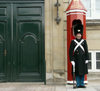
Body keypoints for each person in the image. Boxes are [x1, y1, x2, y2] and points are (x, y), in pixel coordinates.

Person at [69, 24, 89, 88]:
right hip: (76, 59)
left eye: (80, 34)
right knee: (77, 72)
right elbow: (70, 51)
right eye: (77, 34)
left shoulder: (84, 41)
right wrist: (72, 60)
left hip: (83, 59)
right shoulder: (73, 42)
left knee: (82, 72)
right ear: (75, 35)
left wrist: (87, 58)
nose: (79, 35)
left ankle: (82, 84)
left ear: (81, 34)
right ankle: (77, 84)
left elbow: (86, 50)